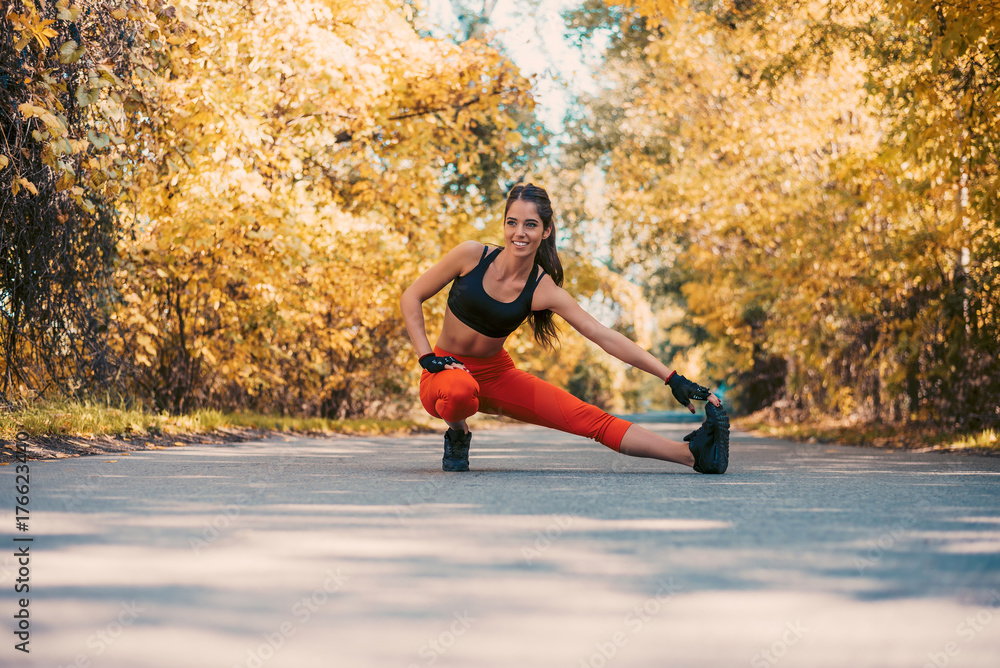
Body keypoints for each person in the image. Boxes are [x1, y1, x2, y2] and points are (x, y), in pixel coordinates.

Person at [399, 183, 729, 474]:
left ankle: (692, 455)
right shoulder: (472, 256)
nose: (519, 233)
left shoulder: (543, 289)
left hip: (495, 376)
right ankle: (458, 432)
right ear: (503, 225)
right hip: (443, 371)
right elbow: (411, 297)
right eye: (512, 222)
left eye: (531, 225)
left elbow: (603, 335)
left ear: (546, 230)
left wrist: (672, 378)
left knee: (590, 419)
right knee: (457, 390)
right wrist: (427, 356)